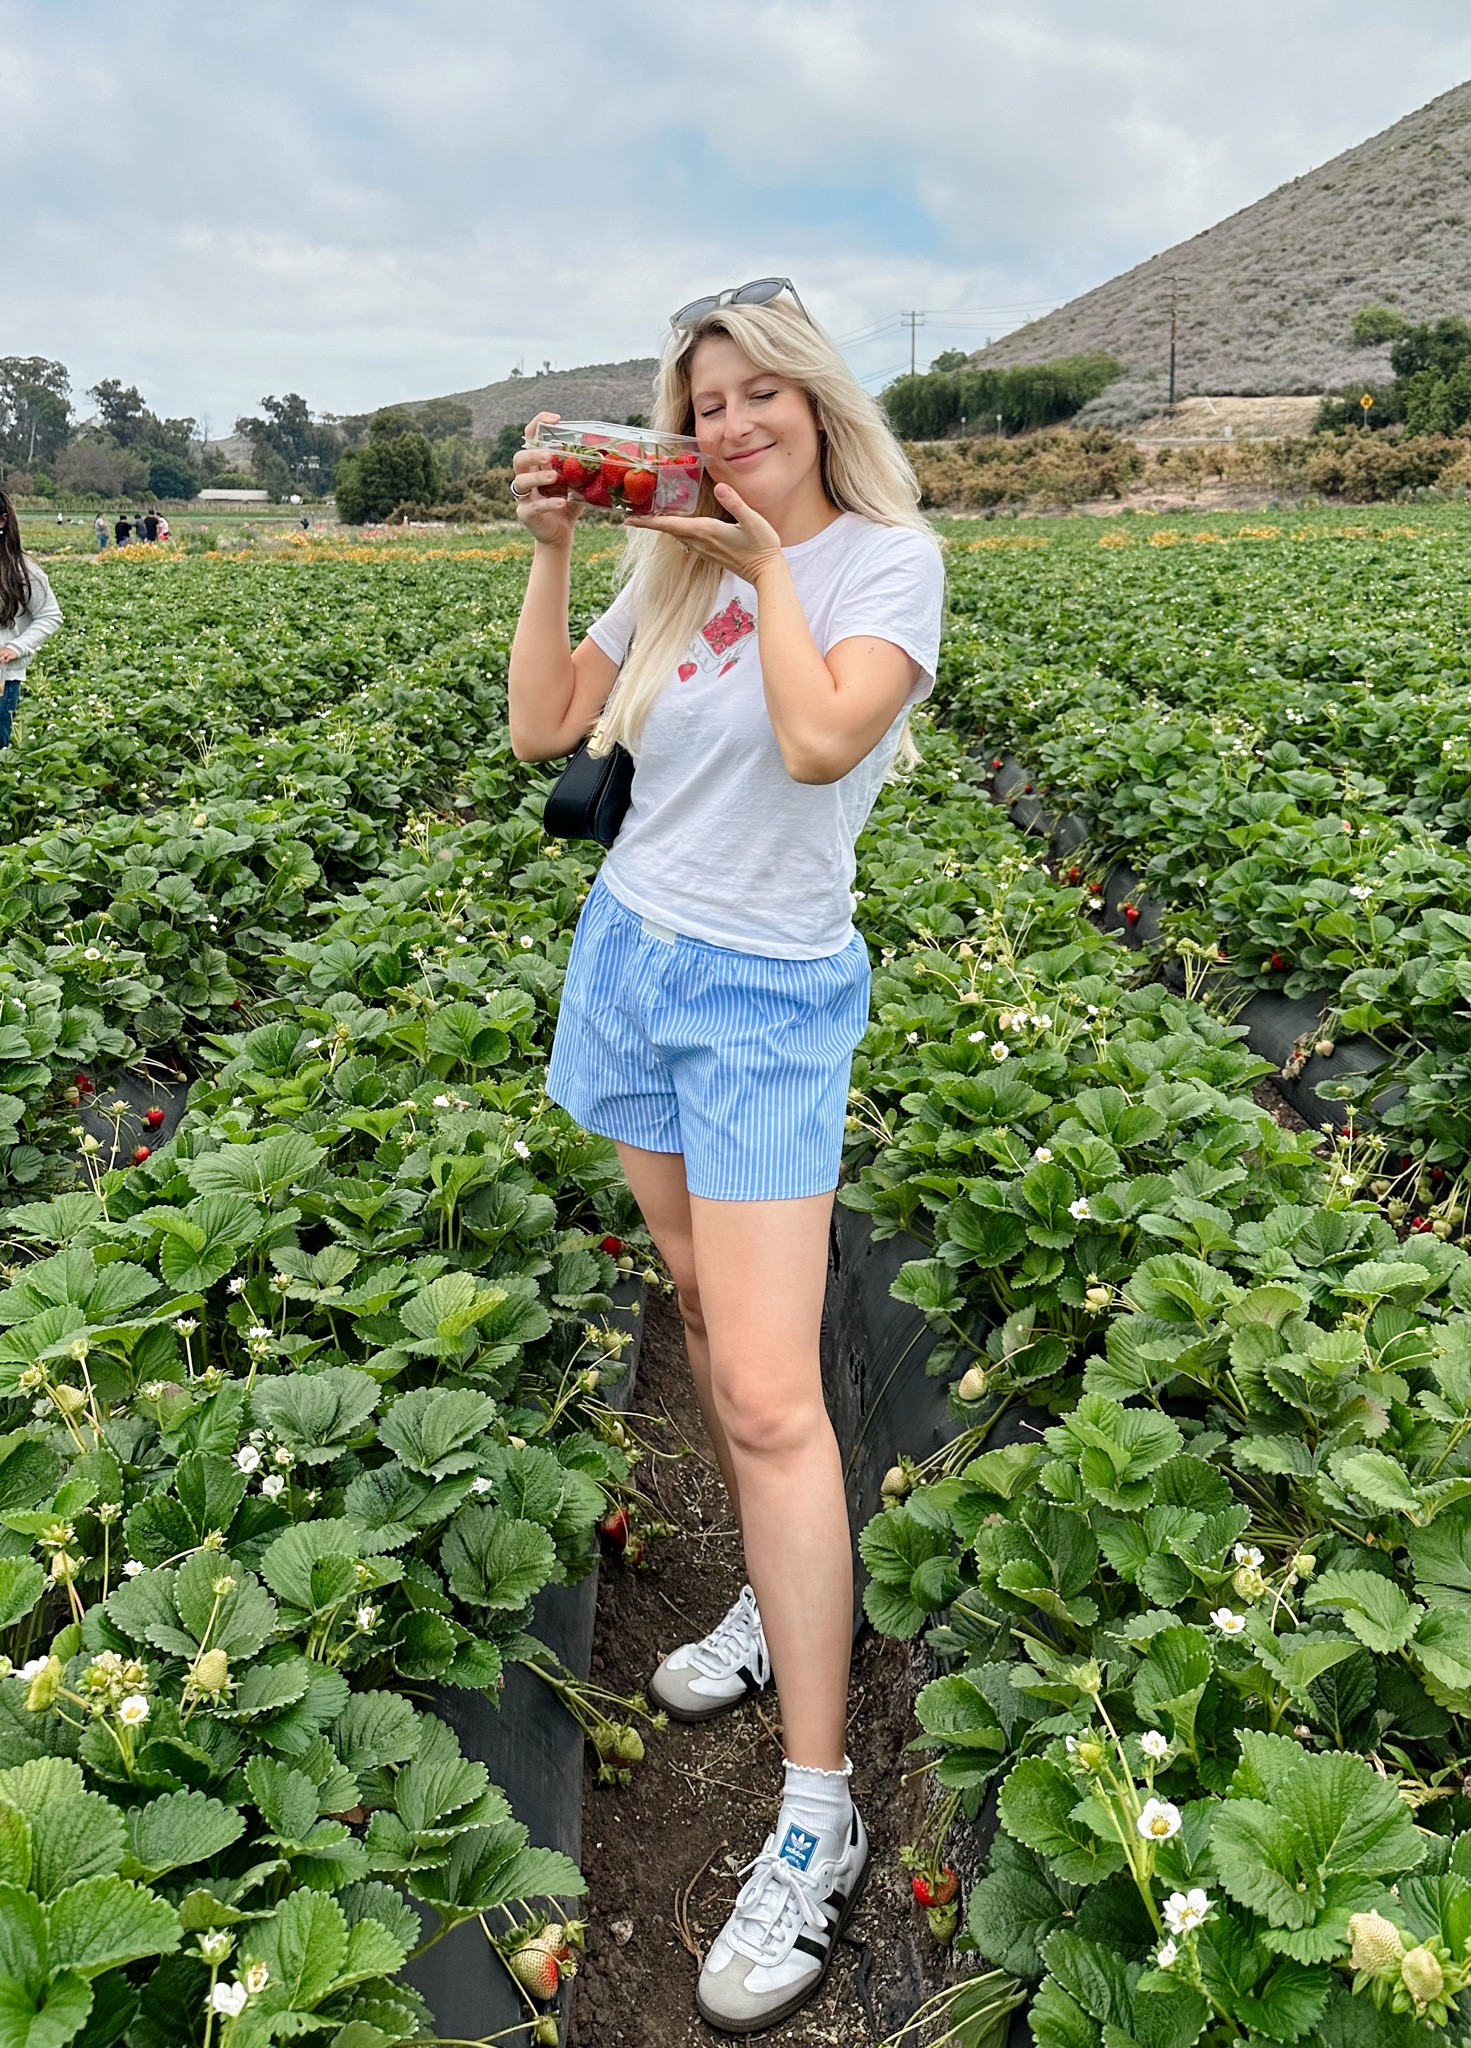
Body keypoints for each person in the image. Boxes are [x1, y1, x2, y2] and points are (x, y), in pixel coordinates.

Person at [507, 279, 944, 2035]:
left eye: (762, 391)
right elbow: (549, 729)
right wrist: (557, 552)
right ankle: (776, 1594)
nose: (736, 422)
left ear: (817, 400)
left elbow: (820, 736)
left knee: (771, 1398)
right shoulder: (667, 554)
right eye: (706, 402)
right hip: (633, 960)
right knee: (695, 1305)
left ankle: (816, 1812)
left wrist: (763, 559)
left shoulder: (881, 565)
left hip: (770, 1000)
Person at [0, 489, 64, 748]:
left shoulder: (22, 571)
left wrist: (15, 647)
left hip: (2, 677)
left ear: (2, 521)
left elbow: (50, 615)